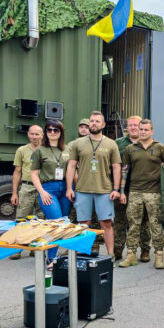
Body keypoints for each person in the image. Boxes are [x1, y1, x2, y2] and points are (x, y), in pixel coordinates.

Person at [66, 111, 122, 257]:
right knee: (83, 223)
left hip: (104, 190)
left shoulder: (111, 144)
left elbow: (116, 167)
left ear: (103, 125)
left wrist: (116, 189)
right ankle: (83, 253)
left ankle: (110, 255)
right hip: (82, 189)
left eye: (97, 121)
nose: (94, 124)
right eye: (92, 121)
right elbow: (71, 166)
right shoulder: (78, 143)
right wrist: (69, 188)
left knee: (106, 223)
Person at [118, 119, 164, 269]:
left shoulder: (160, 148)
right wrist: (122, 192)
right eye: (141, 129)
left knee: (155, 225)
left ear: (152, 131)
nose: (143, 132)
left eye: (146, 129)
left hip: (154, 193)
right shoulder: (130, 148)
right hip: (135, 192)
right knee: (133, 225)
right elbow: (124, 171)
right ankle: (131, 255)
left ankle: (159, 256)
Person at [30, 119, 72, 263]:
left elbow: (71, 170)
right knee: (56, 223)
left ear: (61, 132)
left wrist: (71, 189)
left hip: (65, 188)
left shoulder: (67, 149)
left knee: (63, 224)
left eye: (56, 130)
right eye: (49, 130)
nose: (52, 132)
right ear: (46, 132)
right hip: (48, 190)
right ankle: (51, 258)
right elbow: (34, 174)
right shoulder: (40, 150)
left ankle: (56, 254)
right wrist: (41, 192)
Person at [114, 115, 151, 262]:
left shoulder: (149, 143)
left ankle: (145, 250)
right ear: (126, 127)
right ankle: (117, 251)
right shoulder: (118, 144)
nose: (133, 128)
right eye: (130, 125)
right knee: (120, 221)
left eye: (136, 125)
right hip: (122, 188)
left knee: (143, 222)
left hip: (142, 189)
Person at [67, 118, 103, 256]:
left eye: (86, 127)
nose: (83, 129)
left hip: (94, 186)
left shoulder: (99, 143)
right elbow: (70, 166)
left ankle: (94, 246)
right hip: (78, 187)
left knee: (94, 218)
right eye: (81, 126)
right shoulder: (73, 145)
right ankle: (75, 247)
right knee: (76, 218)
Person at [8, 124, 44, 260]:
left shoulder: (46, 150)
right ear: (28, 135)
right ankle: (18, 248)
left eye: (37, 134)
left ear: (42, 135)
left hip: (42, 188)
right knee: (22, 218)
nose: (34, 137)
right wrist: (14, 193)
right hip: (26, 187)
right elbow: (17, 172)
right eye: (32, 134)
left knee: (41, 219)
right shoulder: (22, 150)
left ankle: (35, 247)